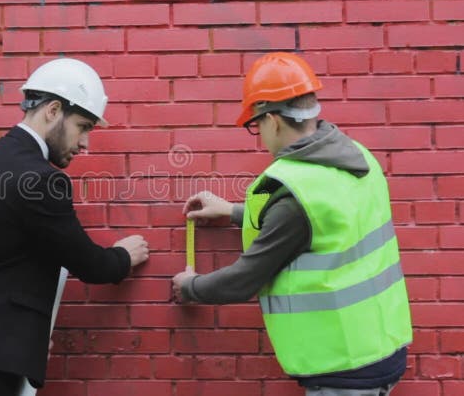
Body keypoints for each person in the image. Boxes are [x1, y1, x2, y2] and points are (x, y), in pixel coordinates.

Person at [172, 52, 413, 396]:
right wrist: (234, 211)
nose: (260, 135)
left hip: (344, 367)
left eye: (256, 125)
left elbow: (245, 279)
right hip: (382, 345)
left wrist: (191, 287)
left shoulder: (294, 190)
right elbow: (324, 220)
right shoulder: (356, 158)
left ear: (273, 120)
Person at [0, 58, 150, 396]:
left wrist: (27, 336)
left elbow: (0, 262)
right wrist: (123, 256)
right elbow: (88, 263)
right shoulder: (41, 179)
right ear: (53, 111)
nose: (85, 143)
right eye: (83, 127)